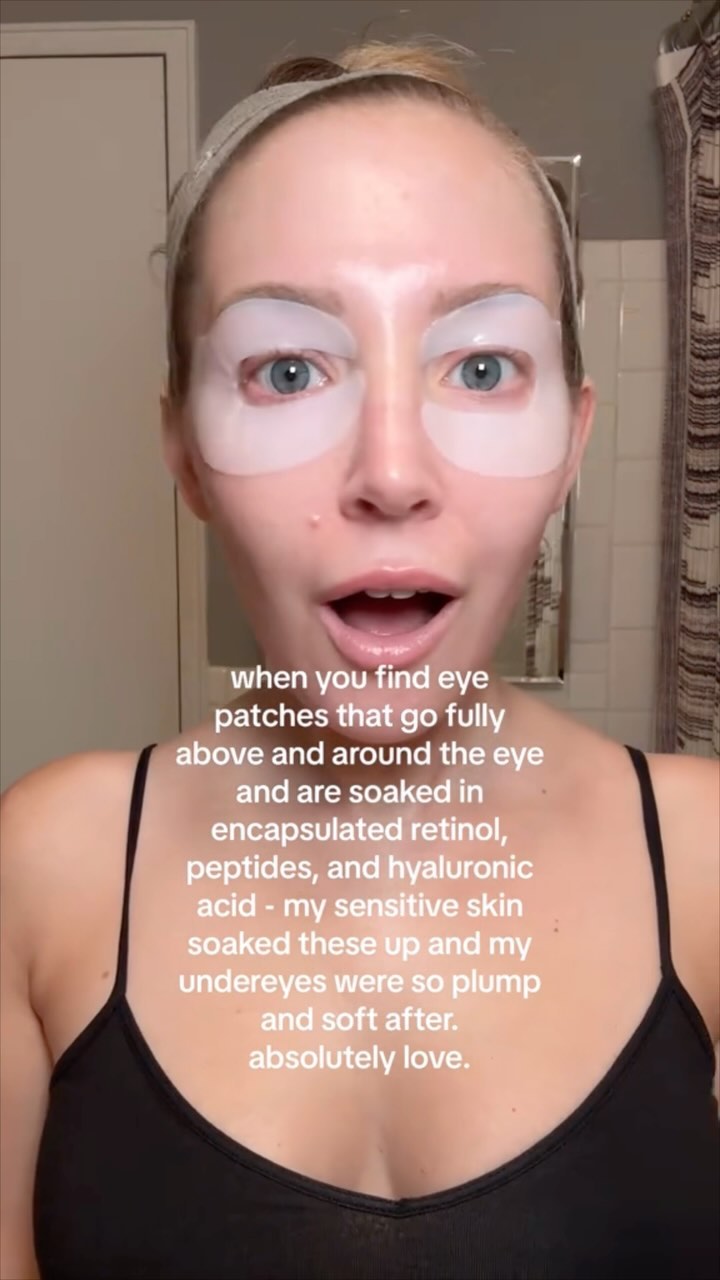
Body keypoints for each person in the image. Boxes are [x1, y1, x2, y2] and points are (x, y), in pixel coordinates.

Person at [1, 38, 718, 1280]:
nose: (391, 471)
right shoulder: (46, 867)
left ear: (570, 441)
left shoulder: (709, 862)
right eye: (288, 371)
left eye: (482, 367)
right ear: (182, 448)